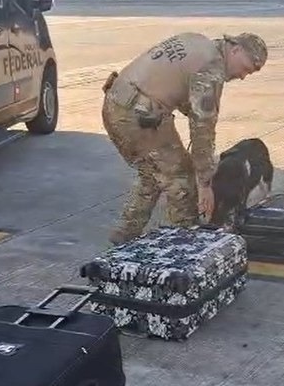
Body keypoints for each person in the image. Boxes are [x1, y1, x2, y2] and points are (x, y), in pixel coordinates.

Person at [101, 31, 268, 245]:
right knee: (182, 179)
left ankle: (124, 234)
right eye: (246, 68)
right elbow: (202, 130)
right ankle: (186, 246)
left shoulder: (197, 42)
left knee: (153, 173)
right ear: (235, 49)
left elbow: (178, 85)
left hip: (117, 104)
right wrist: (204, 183)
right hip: (137, 117)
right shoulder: (212, 67)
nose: (243, 76)